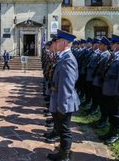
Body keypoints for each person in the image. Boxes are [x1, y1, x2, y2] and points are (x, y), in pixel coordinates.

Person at [47, 30, 80, 161]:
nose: (56, 43)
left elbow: (67, 86)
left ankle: (64, 155)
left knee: (64, 129)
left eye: (58, 41)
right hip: (59, 98)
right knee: (61, 128)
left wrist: (62, 106)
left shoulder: (68, 60)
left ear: (65, 43)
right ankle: (62, 151)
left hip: (63, 101)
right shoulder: (64, 57)